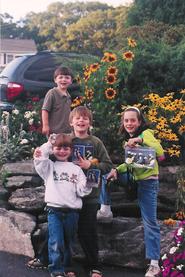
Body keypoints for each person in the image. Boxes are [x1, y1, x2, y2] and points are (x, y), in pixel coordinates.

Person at [107, 106, 165, 277]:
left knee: (150, 222)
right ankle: (104, 208)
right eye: (126, 120)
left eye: (133, 120)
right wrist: (117, 170)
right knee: (106, 173)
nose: (129, 123)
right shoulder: (127, 139)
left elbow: (161, 153)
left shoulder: (145, 134)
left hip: (147, 184)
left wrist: (140, 140)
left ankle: (154, 265)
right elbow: (132, 163)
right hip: (133, 181)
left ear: (139, 122)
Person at [33, 133, 92, 277]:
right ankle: (56, 270)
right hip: (54, 211)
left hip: (72, 212)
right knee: (56, 241)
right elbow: (40, 158)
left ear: (71, 151)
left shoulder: (77, 169)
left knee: (68, 242)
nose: (62, 151)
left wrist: (89, 183)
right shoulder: (49, 167)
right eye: (58, 148)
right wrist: (49, 143)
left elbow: (82, 190)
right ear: (53, 149)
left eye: (66, 148)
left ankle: (66, 267)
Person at [69, 106, 113, 277]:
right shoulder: (65, 140)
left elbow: (108, 165)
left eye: (85, 118)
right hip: (69, 194)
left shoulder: (96, 142)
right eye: (78, 118)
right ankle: (65, 265)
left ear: (90, 122)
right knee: (67, 230)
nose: (81, 121)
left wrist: (90, 165)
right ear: (71, 122)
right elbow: (53, 159)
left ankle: (93, 265)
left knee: (88, 231)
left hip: (91, 195)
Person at [42, 66, 74, 136]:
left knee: (66, 147)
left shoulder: (68, 96)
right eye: (61, 77)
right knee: (55, 147)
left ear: (71, 81)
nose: (64, 80)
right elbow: (45, 110)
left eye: (67, 78)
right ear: (55, 80)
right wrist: (45, 125)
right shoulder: (52, 93)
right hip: (54, 132)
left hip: (67, 132)